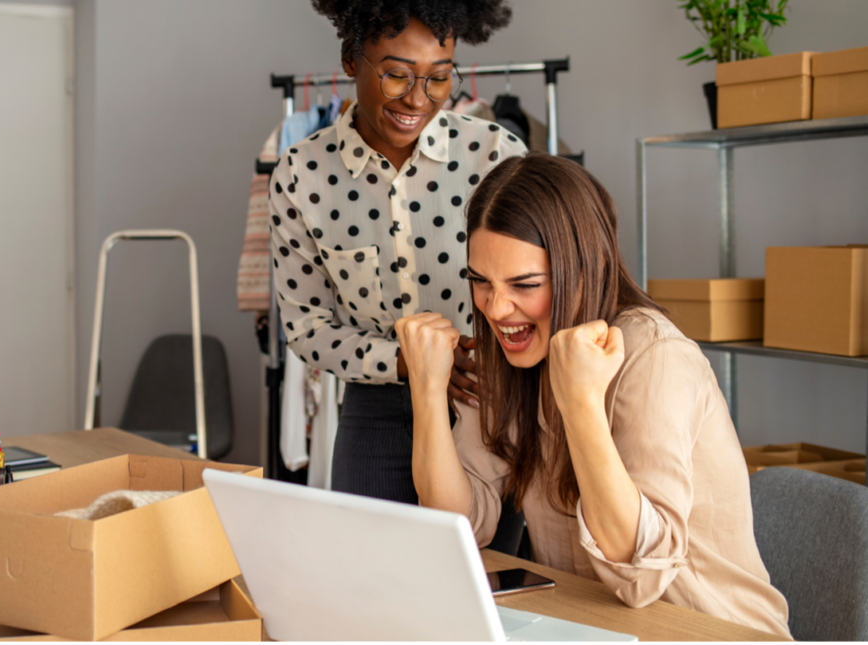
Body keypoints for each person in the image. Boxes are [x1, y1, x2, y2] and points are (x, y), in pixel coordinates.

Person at [398, 152, 791, 637]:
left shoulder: (654, 355)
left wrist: (580, 403)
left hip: (711, 631)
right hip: (590, 627)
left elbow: (642, 575)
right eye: (481, 282)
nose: (497, 308)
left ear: (589, 265)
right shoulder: (514, 353)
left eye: (525, 284)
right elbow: (457, 527)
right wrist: (427, 391)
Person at [270, 0, 520, 503]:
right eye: (397, 76)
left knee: (495, 578)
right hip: (376, 411)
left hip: (488, 403)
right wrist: (411, 363)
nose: (418, 100)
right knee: (372, 571)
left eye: (439, 78)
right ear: (349, 60)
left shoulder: (496, 156)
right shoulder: (302, 175)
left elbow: (540, 286)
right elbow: (307, 328)